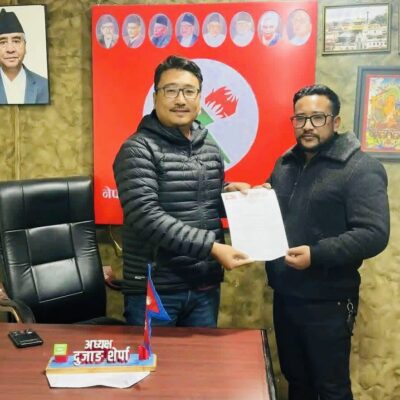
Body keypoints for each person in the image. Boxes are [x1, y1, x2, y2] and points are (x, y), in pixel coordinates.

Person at [264, 84, 390, 400]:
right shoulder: (285, 163)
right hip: (286, 295)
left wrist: (316, 254)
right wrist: (252, 195)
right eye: (300, 118)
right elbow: (275, 207)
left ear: (335, 122)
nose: (307, 126)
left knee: (331, 388)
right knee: (297, 382)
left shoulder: (361, 168)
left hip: (329, 300)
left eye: (317, 118)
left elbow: (373, 233)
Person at [113, 55, 252, 327]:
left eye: (189, 91)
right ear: (155, 97)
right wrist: (211, 247)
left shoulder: (209, 146)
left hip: (203, 286)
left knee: (203, 357)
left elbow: (202, 201)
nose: (181, 100)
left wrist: (231, 196)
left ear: (199, 98)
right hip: (156, 290)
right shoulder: (137, 149)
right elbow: (146, 216)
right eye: (171, 90)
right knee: (155, 357)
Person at [0, 8, 48, 104]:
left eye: (16, 41)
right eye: (3, 42)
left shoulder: (44, 85)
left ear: (25, 46)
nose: (10, 49)